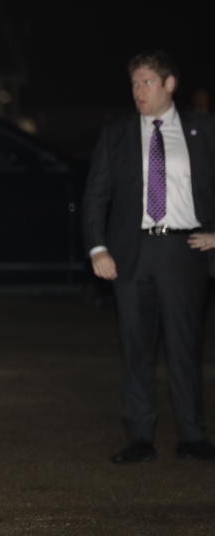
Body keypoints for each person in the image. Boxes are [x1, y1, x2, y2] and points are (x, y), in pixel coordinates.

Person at [82, 51, 215, 463]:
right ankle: (139, 436)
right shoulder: (117, 133)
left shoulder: (203, 130)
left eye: (146, 82)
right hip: (130, 253)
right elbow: (95, 195)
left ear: (169, 84)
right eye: (134, 84)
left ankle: (192, 434)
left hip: (183, 250)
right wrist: (97, 247)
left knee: (184, 346)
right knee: (136, 347)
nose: (138, 91)